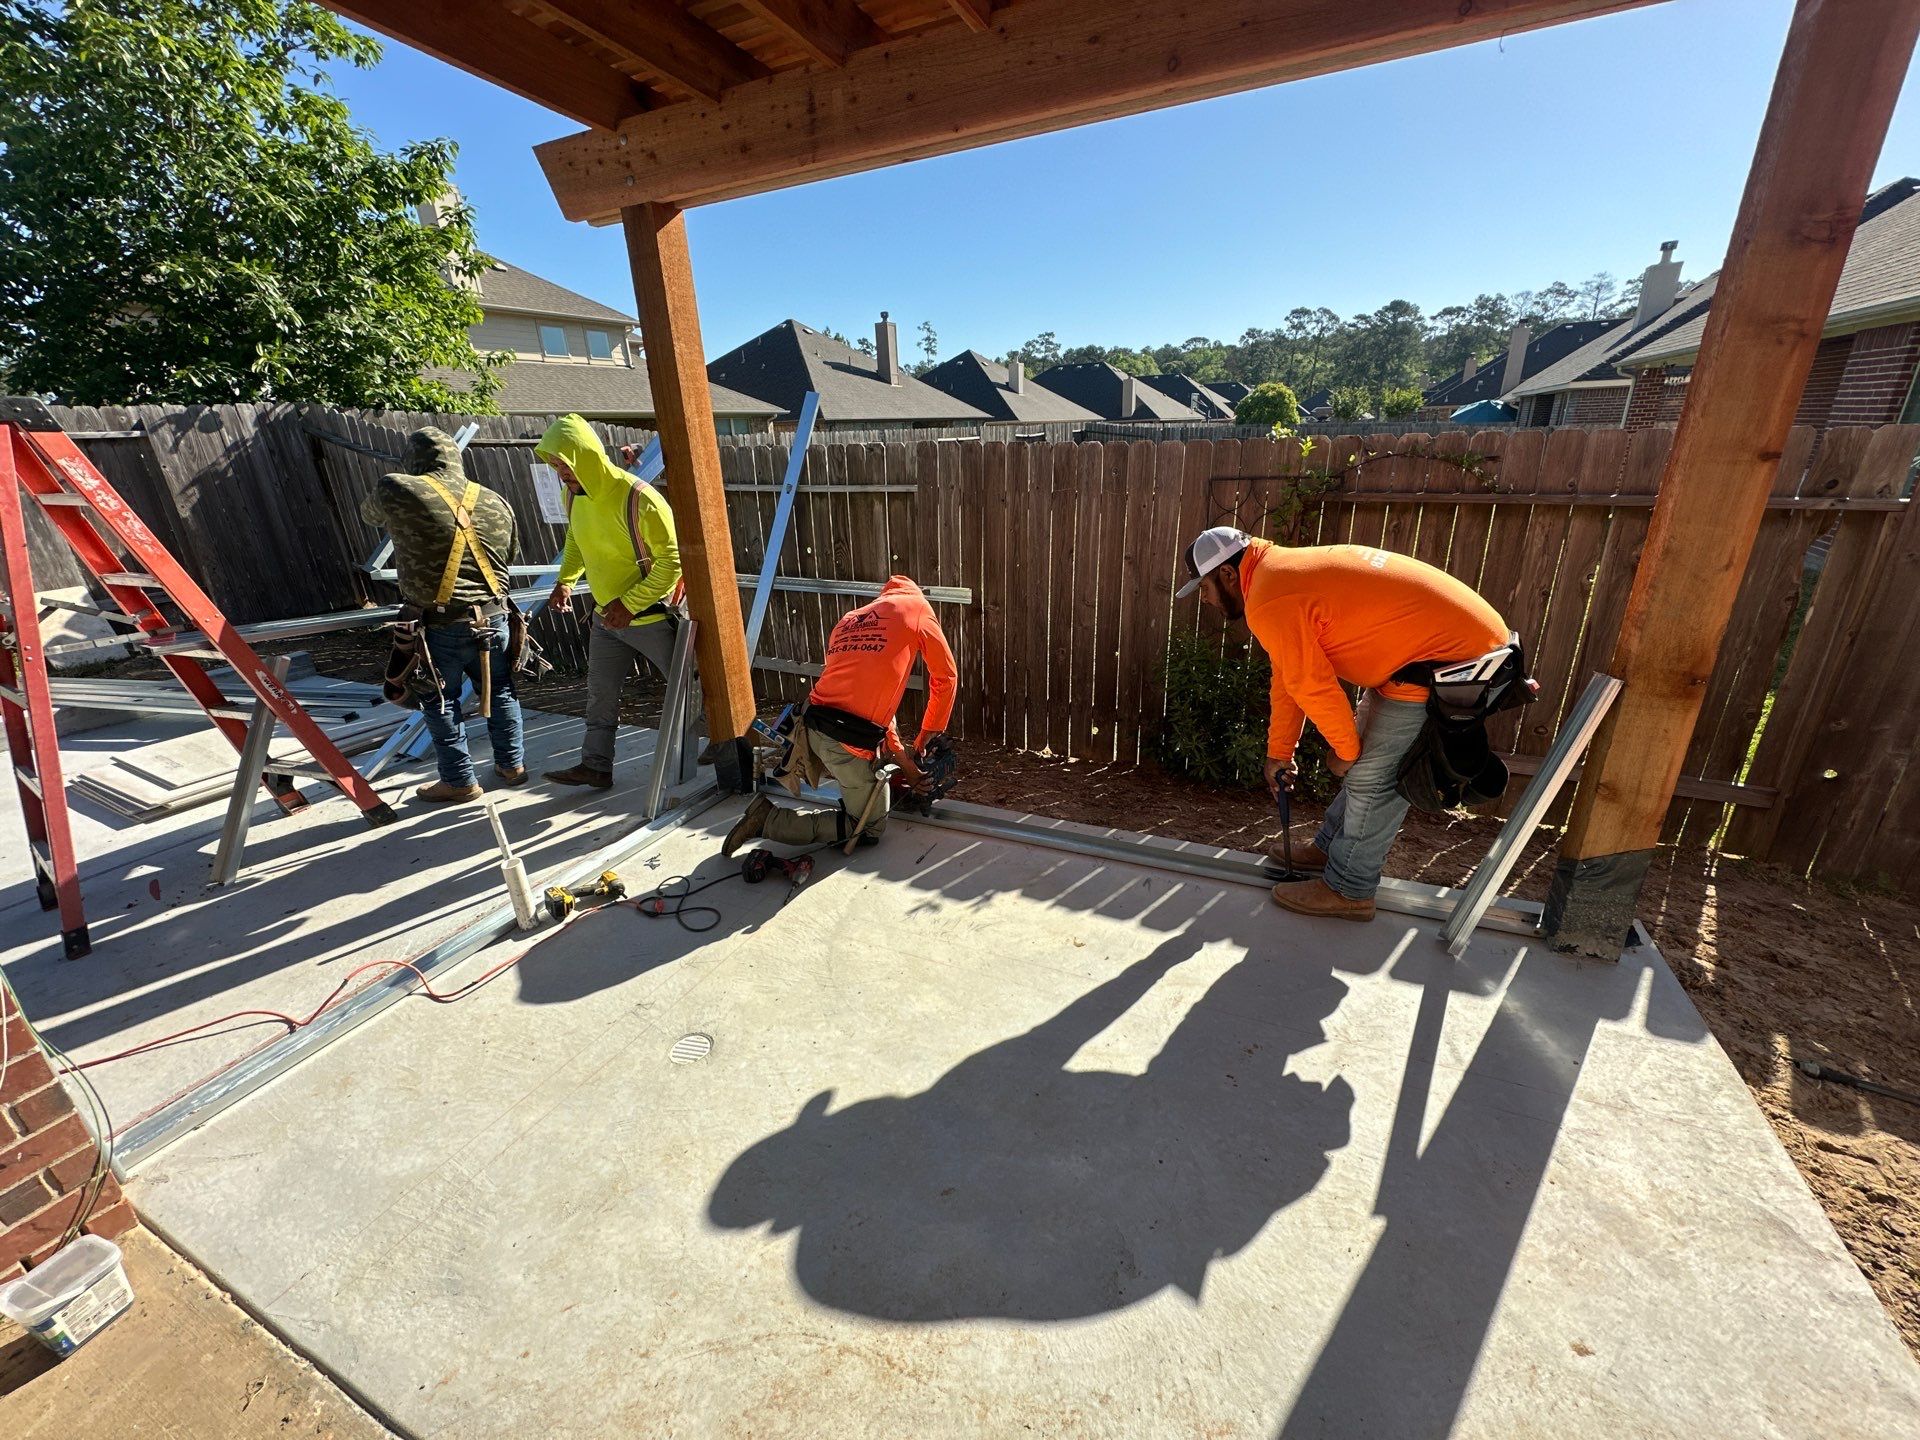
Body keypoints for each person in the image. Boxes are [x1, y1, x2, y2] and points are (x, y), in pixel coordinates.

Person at [1177, 526, 1508, 922]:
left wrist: (1345, 753)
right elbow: (1289, 676)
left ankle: (1350, 889)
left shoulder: (1270, 596)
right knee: (1365, 765)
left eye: (1205, 588)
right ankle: (1331, 850)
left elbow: (1313, 686)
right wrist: (1279, 752)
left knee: (1372, 779)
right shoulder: (1275, 575)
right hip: (1419, 659)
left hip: (1451, 662)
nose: (1207, 599)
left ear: (1228, 575)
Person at [723, 575, 956, 854]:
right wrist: (928, 735)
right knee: (868, 829)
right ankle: (768, 820)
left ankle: (858, 791)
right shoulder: (917, 606)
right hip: (844, 741)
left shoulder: (850, 619)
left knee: (865, 774)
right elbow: (946, 678)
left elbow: (879, 719)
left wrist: (906, 764)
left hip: (811, 726)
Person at [360, 427, 523, 803]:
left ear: (413, 460)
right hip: (495, 617)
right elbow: (509, 555)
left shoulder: (397, 486)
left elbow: (369, 514)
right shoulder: (496, 500)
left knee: (440, 701)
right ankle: (512, 766)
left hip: (440, 624)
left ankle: (459, 780)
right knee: (501, 691)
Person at [536, 414, 685, 791]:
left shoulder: (640, 498)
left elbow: (672, 563)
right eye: (554, 465)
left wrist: (631, 604)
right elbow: (575, 540)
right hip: (606, 618)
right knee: (600, 694)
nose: (560, 473)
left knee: (688, 687)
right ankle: (596, 766)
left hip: (650, 619)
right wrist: (565, 581)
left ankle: (726, 751)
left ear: (584, 455)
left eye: (563, 464)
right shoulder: (573, 495)